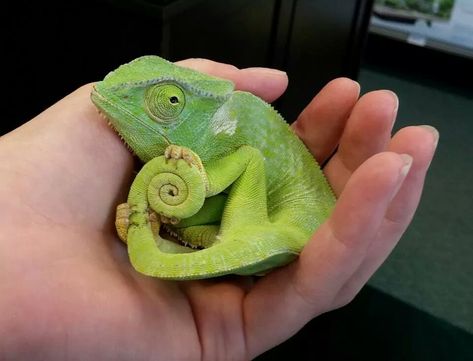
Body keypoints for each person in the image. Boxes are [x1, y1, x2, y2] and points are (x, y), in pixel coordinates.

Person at [0, 58, 438, 360]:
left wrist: (200, 184)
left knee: (238, 179)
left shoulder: (221, 127)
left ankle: (165, 246)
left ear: (194, 109)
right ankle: (166, 247)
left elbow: (247, 163)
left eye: (168, 104)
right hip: (255, 225)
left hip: (296, 225)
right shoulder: (200, 138)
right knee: (195, 227)